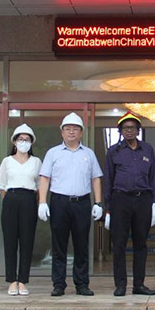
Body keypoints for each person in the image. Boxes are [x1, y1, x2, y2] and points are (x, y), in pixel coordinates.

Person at [37, 112, 104, 297]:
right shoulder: (53, 153)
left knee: (81, 245)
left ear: (81, 132)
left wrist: (98, 202)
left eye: (75, 129)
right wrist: (42, 202)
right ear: (62, 132)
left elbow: (96, 178)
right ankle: (58, 284)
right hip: (59, 202)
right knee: (59, 245)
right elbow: (44, 178)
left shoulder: (89, 154)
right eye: (68, 129)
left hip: (82, 202)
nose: (71, 132)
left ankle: (82, 284)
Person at [103, 111, 155, 297]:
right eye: (125, 128)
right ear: (120, 131)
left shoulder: (147, 149)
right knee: (119, 244)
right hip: (120, 200)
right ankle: (120, 285)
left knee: (141, 243)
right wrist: (107, 208)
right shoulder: (113, 151)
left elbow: (153, 176)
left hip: (143, 200)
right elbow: (108, 179)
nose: (129, 130)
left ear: (138, 130)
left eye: (132, 127)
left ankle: (139, 284)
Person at [0, 123, 42, 296]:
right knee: (10, 242)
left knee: (27, 241)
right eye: (21, 139)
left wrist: (37, 203)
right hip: (11, 199)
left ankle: (22, 281)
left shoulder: (36, 162)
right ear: (14, 142)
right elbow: (2, 185)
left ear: (31, 143)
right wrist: (9, 200)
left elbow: (39, 185)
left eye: (27, 139)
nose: (24, 142)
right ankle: (11, 281)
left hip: (29, 199)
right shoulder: (7, 161)